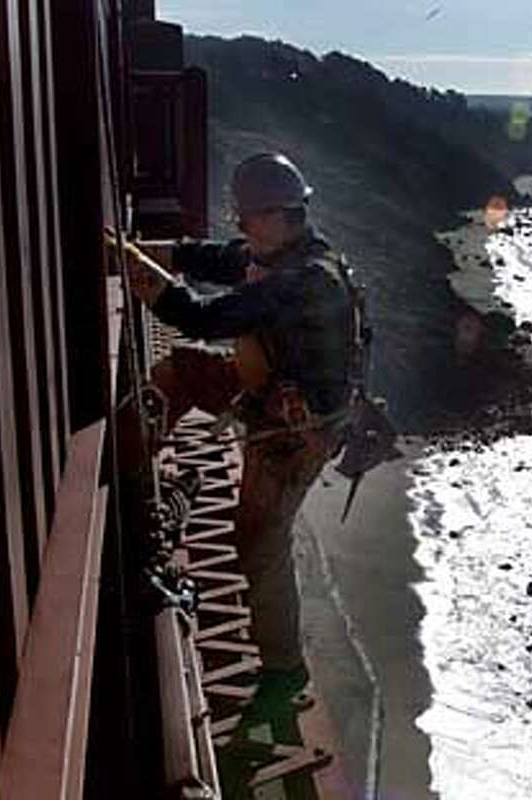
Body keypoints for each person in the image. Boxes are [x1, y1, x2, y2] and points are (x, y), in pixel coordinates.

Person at [119, 153, 355, 733]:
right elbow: (213, 259)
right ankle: (134, 481)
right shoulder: (275, 256)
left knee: (258, 542)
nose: (241, 228)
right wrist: (155, 251)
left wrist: (136, 268)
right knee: (179, 373)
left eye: (246, 219)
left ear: (279, 216)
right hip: (267, 389)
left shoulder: (303, 282)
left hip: (293, 434)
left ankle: (283, 672)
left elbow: (201, 317)